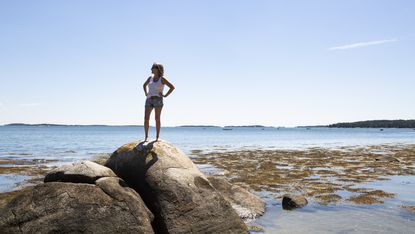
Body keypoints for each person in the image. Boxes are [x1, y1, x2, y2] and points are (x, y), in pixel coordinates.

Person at [143, 63, 175, 142]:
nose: (151, 69)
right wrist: (146, 93)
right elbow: (144, 85)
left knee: (157, 118)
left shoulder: (162, 79)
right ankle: (146, 137)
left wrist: (165, 95)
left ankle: (157, 137)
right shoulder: (150, 78)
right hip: (149, 99)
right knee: (146, 118)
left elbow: (172, 87)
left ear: (157, 69)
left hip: (158, 100)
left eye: (153, 68)